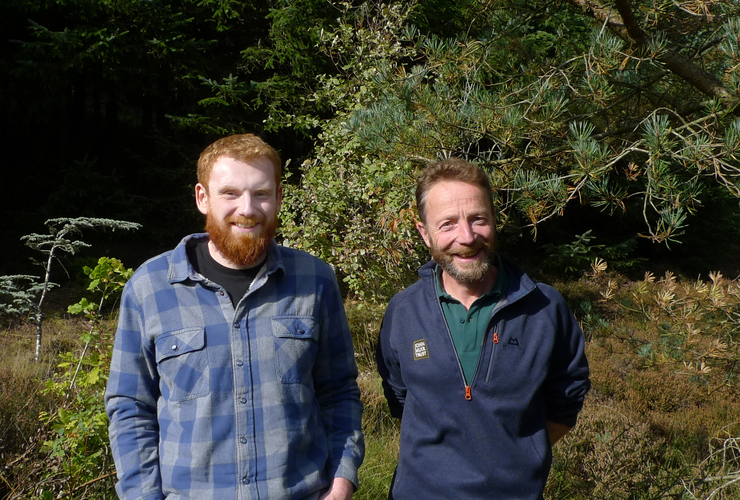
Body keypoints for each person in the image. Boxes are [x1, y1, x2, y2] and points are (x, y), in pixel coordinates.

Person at [105, 133, 364, 500]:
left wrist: (341, 484)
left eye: (261, 193)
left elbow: (338, 393)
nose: (247, 208)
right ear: (202, 198)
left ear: (278, 199)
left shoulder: (315, 280)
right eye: (230, 193)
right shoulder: (150, 287)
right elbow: (130, 408)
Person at [376, 158, 590, 500]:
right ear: (424, 233)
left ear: (494, 221)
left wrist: (516, 455)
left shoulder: (545, 309)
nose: (467, 237)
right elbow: (398, 395)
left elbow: (567, 398)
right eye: (447, 224)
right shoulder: (403, 311)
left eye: (478, 219)